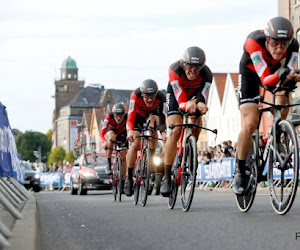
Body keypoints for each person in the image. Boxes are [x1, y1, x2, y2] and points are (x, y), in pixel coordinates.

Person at [233, 16, 300, 194]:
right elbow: (265, 80)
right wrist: (282, 73)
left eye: (284, 44)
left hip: (276, 71)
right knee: (250, 123)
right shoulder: (253, 42)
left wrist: (293, 77)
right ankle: (240, 170)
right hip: (251, 73)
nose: (280, 48)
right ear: (268, 40)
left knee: (285, 92)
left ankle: (277, 132)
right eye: (275, 43)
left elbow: (289, 76)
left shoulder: (294, 47)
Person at [160, 46, 212, 196]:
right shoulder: (174, 69)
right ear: (183, 64)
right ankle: (166, 176)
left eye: (197, 68)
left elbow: (203, 95)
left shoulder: (207, 74)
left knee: (197, 118)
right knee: (175, 129)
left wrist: (201, 104)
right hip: (176, 97)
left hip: (194, 96)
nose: (193, 71)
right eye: (189, 67)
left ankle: (190, 148)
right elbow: (180, 96)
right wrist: (185, 105)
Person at [124, 79, 167, 196]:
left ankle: (151, 158)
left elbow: (163, 118)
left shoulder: (162, 98)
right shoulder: (135, 95)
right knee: (135, 143)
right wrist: (130, 131)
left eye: (152, 97)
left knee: (153, 125)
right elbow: (131, 116)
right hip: (137, 117)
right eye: (146, 97)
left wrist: (163, 133)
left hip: (152, 116)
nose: (149, 99)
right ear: (142, 94)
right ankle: (128, 177)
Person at [100, 102, 128, 175]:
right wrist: (104, 141)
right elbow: (102, 133)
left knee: (124, 155)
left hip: (123, 133)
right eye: (117, 116)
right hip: (112, 130)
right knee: (111, 137)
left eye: (121, 116)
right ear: (113, 114)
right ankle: (109, 164)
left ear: (124, 115)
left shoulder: (127, 117)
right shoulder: (109, 116)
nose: (118, 118)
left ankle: (124, 176)